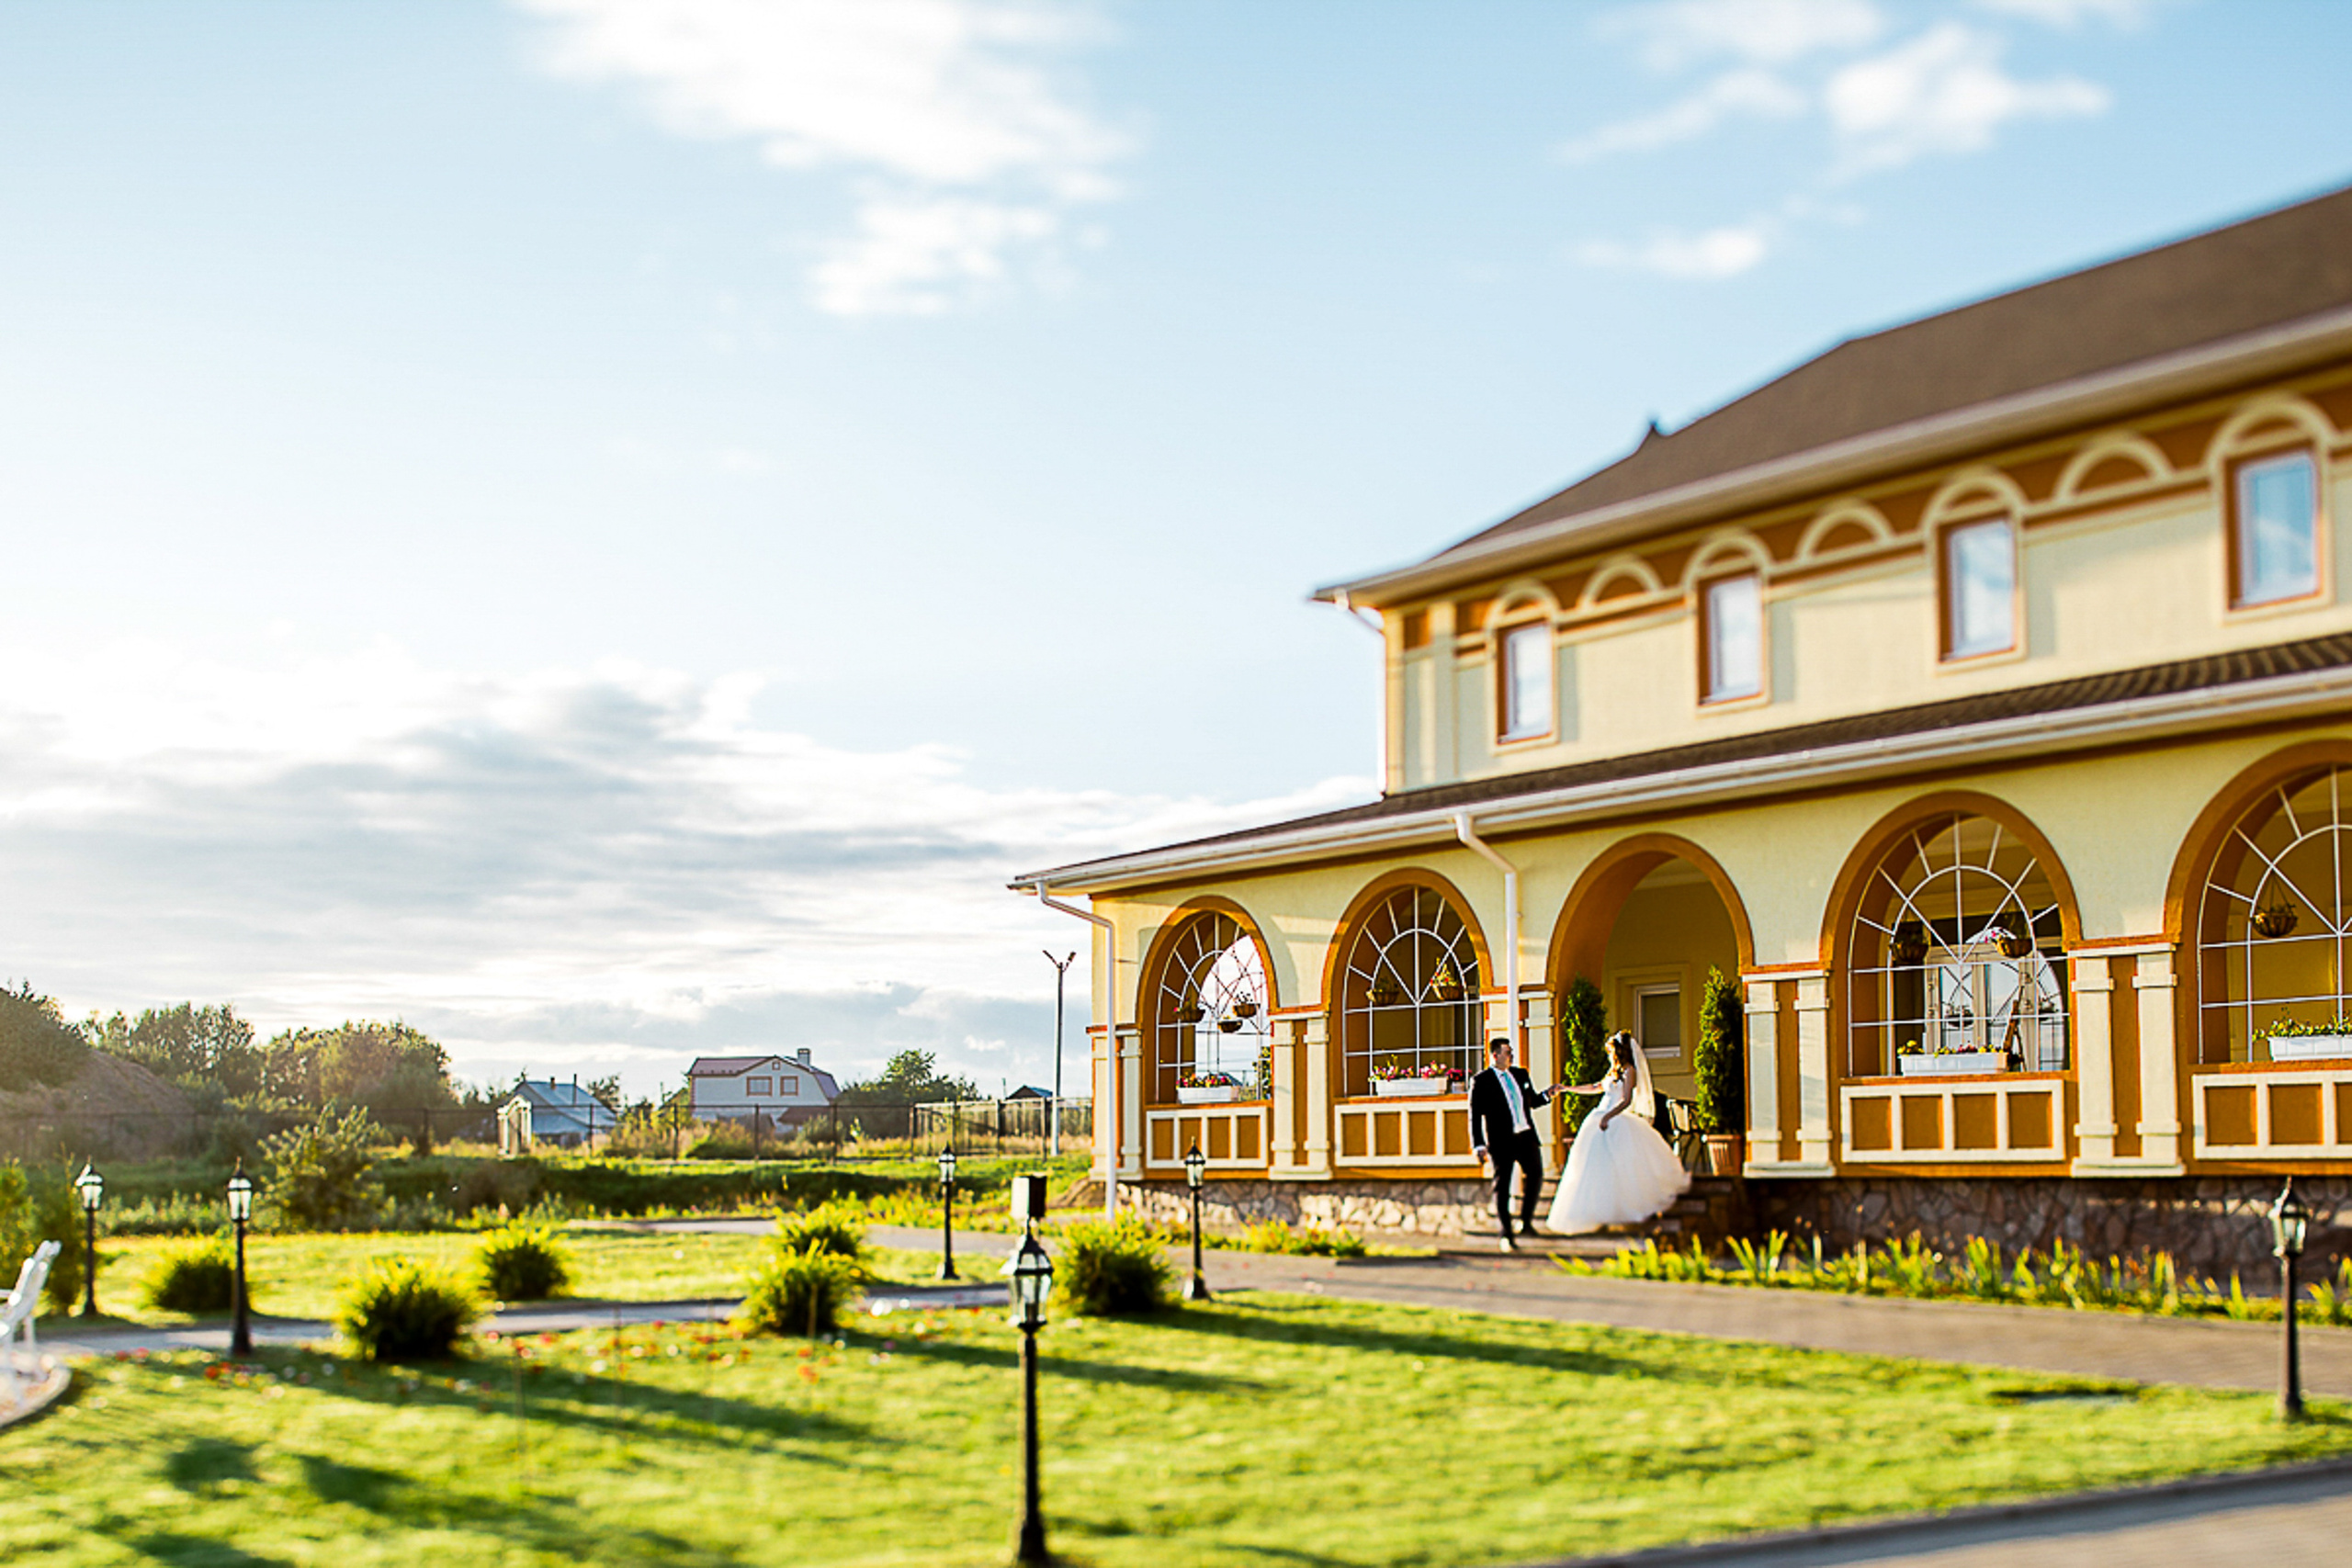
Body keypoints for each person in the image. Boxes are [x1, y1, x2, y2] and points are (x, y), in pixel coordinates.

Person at [1546, 1031, 1692, 1235]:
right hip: (1599, 1116)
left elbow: (1626, 1100)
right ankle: (1597, 1211)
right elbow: (1596, 1087)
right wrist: (1566, 1088)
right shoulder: (1612, 1072)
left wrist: (1609, 1116)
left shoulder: (1629, 1071)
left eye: (1611, 1050)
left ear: (1619, 1051)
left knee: (1621, 1165)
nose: (1608, 1054)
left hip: (1614, 1118)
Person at [1468, 1037, 1566, 1252]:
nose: (1511, 1055)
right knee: (1502, 1188)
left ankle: (1525, 1222)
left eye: (1511, 1052)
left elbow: (1531, 1101)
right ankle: (1506, 1235)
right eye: (1507, 1052)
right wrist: (1478, 1144)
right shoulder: (1481, 1081)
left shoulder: (1520, 1074)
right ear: (1495, 1055)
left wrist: (1548, 1095)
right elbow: (1474, 1115)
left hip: (1526, 1136)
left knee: (1536, 1175)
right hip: (1501, 1141)